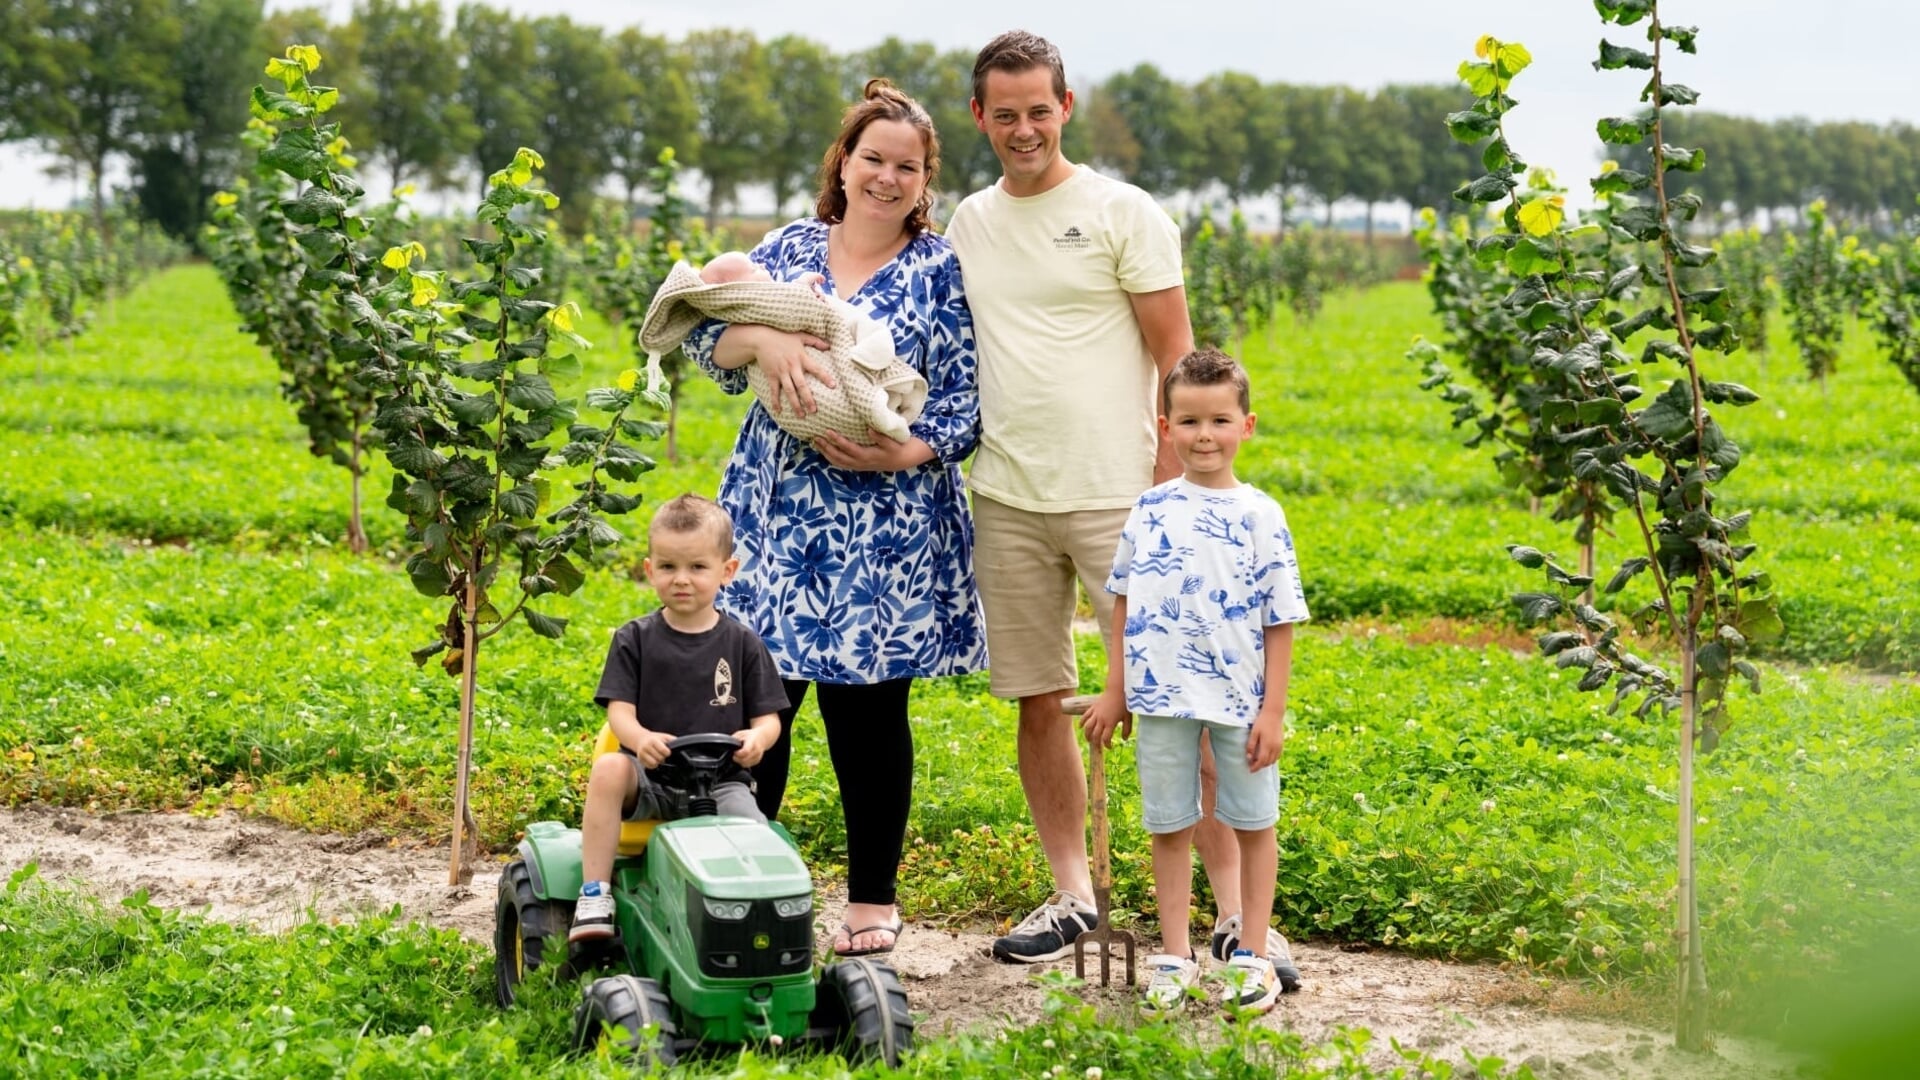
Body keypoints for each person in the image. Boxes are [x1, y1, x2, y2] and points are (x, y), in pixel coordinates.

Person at [945, 29, 1248, 966]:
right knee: (1041, 700)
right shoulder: (968, 221)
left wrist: (1170, 490)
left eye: (1041, 110)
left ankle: (1235, 921)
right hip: (1005, 494)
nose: (1025, 128)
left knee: (1174, 700)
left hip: (1120, 495)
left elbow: (1177, 358)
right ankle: (1072, 892)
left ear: (1065, 107)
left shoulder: (1124, 212)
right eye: (1007, 114)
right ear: (980, 118)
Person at [680, 79, 987, 958]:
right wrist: (769, 341)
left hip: (882, 525)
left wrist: (908, 450)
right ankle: (741, 878)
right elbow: (711, 340)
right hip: (777, 512)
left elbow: (965, 402)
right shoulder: (788, 249)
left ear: (926, 181)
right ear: (844, 164)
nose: (887, 178)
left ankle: (870, 901)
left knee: (868, 714)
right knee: (758, 701)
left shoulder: (938, 272)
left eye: (908, 167)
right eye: (873, 159)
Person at [1081, 349, 1308, 1012]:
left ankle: (1253, 955)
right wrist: (1116, 688)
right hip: (1160, 701)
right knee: (1170, 824)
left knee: (1253, 822)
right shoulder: (1150, 510)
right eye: (1188, 421)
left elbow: (1280, 620)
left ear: (1247, 426)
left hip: (1239, 704)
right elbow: (1123, 601)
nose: (1203, 435)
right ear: (1165, 427)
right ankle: (1175, 956)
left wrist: (1273, 712)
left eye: (1218, 420)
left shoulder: (1262, 515)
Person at [570, 494, 788, 944]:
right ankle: (595, 893)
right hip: (650, 778)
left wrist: (757, 738)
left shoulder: (744, 645)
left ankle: (748, 916)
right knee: (610, 768)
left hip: (723, 783)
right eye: (668, 567)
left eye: (697, 567)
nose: (681, 580)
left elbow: (769, 720)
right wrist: (641, 738)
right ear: (650, 571)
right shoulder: (636, 639)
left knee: (756, 832)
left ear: (727, 571)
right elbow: (619, 714)